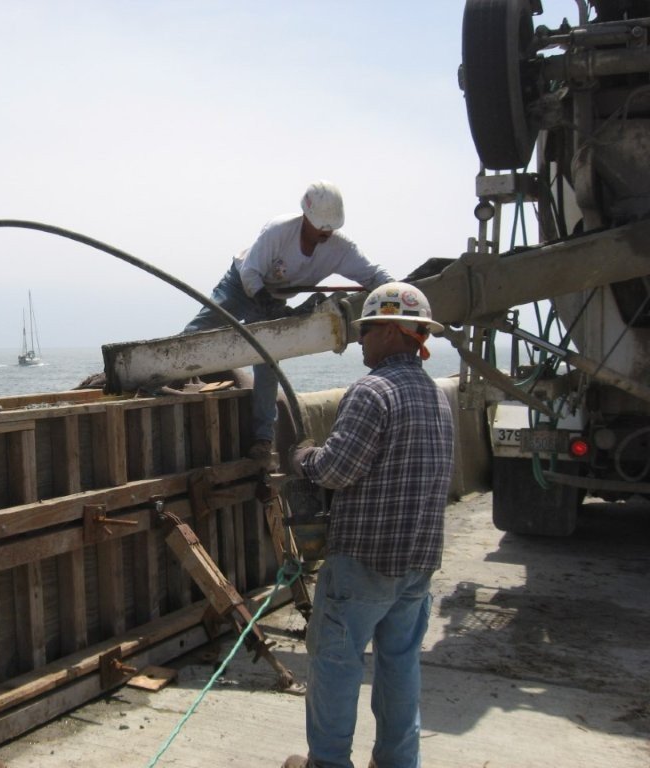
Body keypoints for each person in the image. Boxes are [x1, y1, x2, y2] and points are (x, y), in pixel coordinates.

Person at [282, 282, 454, 768]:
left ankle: (329, 763)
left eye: (367, 330)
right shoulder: (437, 396)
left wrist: (302, 457)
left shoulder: (372, 392)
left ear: (393, 332)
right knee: (400, 667)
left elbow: (336, 470)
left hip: (364, 560)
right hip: (417, 563)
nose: (360, 340)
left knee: (335, 663)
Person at [182, 181, 392, 460]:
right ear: (306, 216)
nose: (326, 231)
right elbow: (250, 274)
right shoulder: (278, 231)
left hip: (274, 297)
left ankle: (262, 437)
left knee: (268, 362)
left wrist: (400, 293)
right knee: (196, 334)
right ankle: (164, 380)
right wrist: (267, 305)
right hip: (242, 284)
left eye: (331, 226)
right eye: (321, 225)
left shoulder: (339, 249)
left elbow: (373, 275)